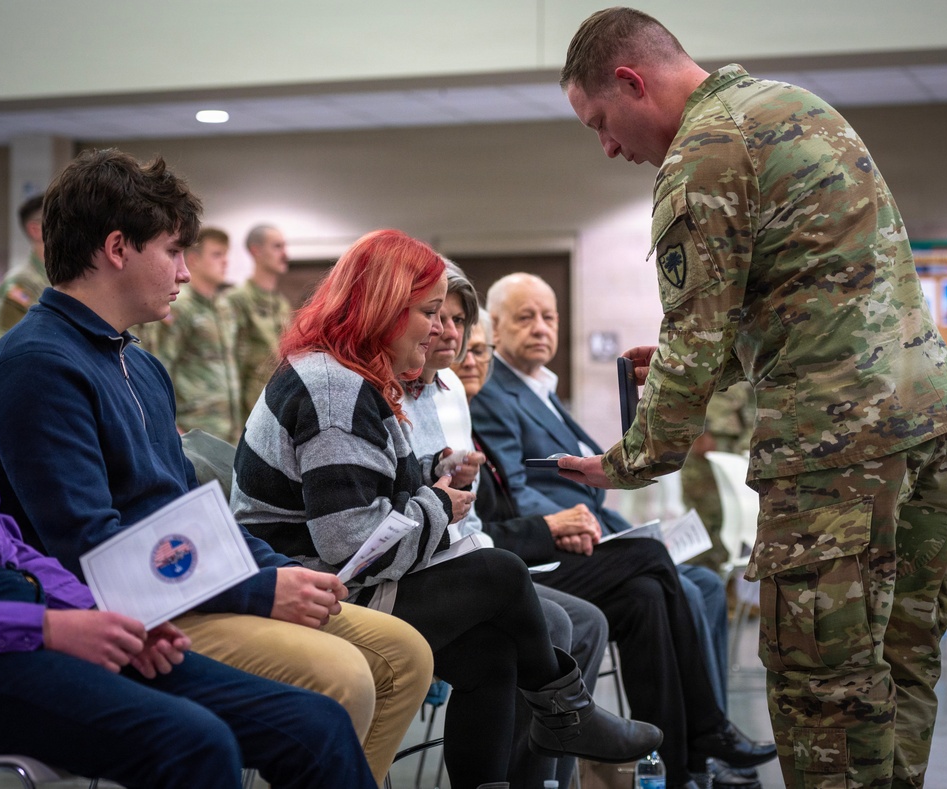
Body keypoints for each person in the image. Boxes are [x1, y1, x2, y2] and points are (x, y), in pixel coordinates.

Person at [556, 9, 947, 789]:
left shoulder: (700, 157)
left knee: (823, 691)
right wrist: (728, 360)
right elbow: (827, 298)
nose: (609, 147)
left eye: (601, 124)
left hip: (835, 458)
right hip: (928, 430)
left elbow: (691, 340)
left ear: (631, 81)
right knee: (899, 667)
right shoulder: (797, 107)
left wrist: (627, 461)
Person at [0, 148, 434, 785]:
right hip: (136, 603)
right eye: (173, 250)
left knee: (405, 653)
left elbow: (193, 512)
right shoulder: (36, 365)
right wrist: (257, 589)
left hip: (184, 582)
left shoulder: (136, 362)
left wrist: (277, 573)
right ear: (117, 247)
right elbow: (87, 545)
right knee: (342, 678)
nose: (186, 273)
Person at [229, 228, 662, 789]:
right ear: (385, 307)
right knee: (501, 574)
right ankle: (568, 715)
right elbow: (352, 544)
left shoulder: (356, 375)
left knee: (493, 654)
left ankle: (563, 720)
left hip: (338, 575)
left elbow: (376, 497)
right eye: (430, 312)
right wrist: (438, 503)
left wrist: (432, 475)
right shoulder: (336, 386)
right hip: (314, 587)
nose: (442, 329)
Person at [461, 309, 771, 789]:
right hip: (516, 561)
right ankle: (707, 731)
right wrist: (554, 528)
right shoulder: (463, 413)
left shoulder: (502, 401)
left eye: (479, 351)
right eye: (469, 348)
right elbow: (491, 521)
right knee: (651, 561)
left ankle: (674, 766)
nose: (473, 360)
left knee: (647, 591)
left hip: (536, 547)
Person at [0, 468, 376, 789]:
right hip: (9, 635)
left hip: (51, 606)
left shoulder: (144, 371)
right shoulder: (30, 374)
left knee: (318, 723)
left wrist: (99, 613)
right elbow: (83, 537)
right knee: (197, 742)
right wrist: (46, 626)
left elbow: (12, 553)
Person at [401, 259, 611, 789]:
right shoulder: (393, 389)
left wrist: (443, 485)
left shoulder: (443, 395)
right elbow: (361, 530)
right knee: (536, 603)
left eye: (469, 336)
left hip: (436, 556)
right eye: (434, 316)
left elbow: (454, 511)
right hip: (375, 578)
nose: (452, 341)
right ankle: (571, 725)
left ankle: (558, 762)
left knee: (612, 596)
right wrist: (444, 493)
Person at [152, 226, 242, 443]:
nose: (225, 262)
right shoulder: (179, 307)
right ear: (193, 260)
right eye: (216, 255)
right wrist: (172, 426)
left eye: (225, 255)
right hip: (195, 429)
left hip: (231, 429)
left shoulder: (225, 307)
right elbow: (161, 365)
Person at [680, 381, 754, 573]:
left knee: (728, 517)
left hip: (732, 438)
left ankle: (719, 581)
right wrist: (699, 431)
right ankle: (697, 578)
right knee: (703, 518)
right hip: (709, 438)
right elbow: (692, 379)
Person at [225, 224, 293, 420]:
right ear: (256, 251)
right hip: (248, 410)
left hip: (278, 404)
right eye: (277, 247)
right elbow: (230, 360)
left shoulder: (281, 304)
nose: (285, 254)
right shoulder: (236, 300)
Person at [0, 194, 48, 335]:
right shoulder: (22, 282)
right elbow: (5, 341)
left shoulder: (60, 277)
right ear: (35, 230)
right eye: (57, 220)